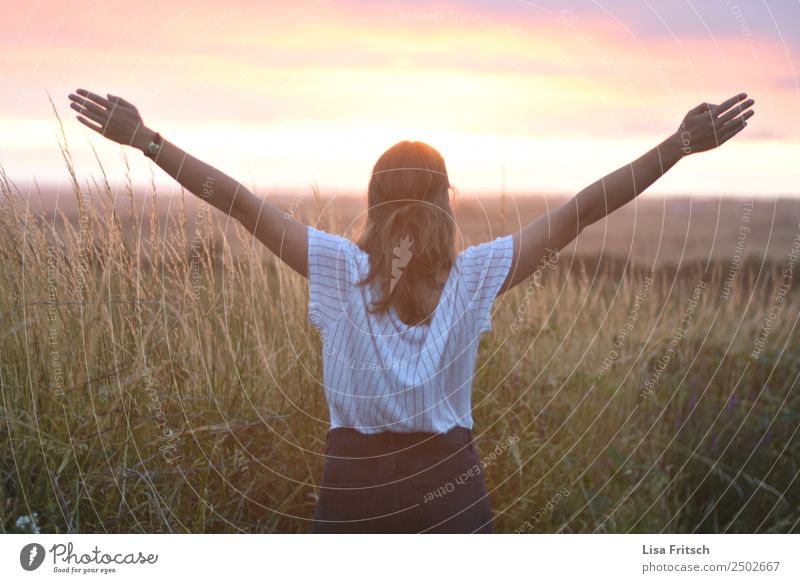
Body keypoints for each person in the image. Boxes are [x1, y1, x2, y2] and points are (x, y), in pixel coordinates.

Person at [67, 88, 755, 533]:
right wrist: (677, 146)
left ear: (375, 201)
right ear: (443, 201)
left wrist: (147, 140)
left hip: (352, 495)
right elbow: (583, 211)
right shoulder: (476, 275)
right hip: (449, 495)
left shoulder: (339, 267)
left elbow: (239, 202)